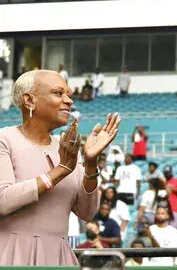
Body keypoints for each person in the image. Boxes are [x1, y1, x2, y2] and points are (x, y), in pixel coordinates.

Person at [0, 69, 121, 265]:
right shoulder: (5, 140)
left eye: (69, 95)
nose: (69, 101)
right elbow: (3, 200)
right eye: (58, 93)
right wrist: (61, 170)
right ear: (29, 100)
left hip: (59, 258)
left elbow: (87, 212)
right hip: (12, 257)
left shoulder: (66, 148)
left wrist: (91, 164)